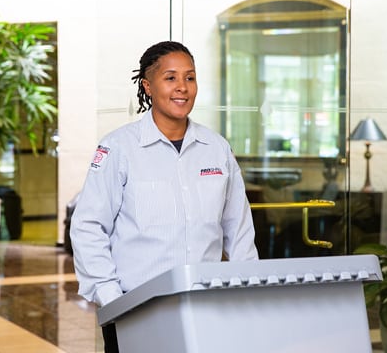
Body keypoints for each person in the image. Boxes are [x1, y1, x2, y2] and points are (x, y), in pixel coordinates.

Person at [70, 41, 259, 353]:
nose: (182, 88)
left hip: (205, 308)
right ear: (147, 85)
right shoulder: (118, 148)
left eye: (190, 77)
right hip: (136, 308)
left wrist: (248, 293)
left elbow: (238, 230)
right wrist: (112, 298)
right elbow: (88, 226)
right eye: (170, 78)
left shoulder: (217, 148)